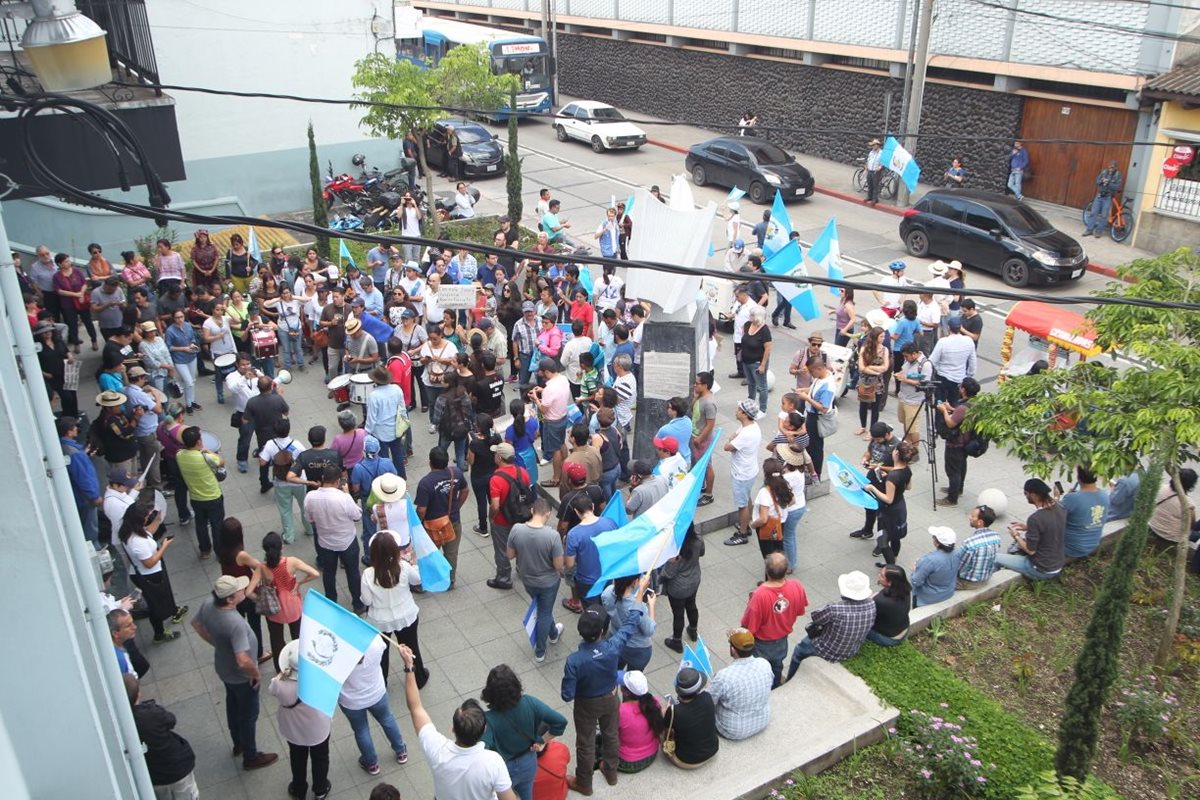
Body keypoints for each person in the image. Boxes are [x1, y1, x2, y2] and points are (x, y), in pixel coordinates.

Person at [561, 582, 651, 794]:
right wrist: (638, 601)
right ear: (603, 630)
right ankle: (611, 772)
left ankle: (584, 782)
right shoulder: (613, 647)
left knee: (585, 743)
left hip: (585, 705)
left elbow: (566, 694)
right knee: (611, 735)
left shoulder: (574, 661)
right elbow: (629, 626)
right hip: (611, 697)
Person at [191, 574, 279, 770]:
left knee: (232, 703)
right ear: (230, 599)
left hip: (224, 668)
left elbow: (196, 624)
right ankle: (250, 755)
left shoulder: (208, 604)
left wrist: (216, 644)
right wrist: (255, 673)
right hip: (242, 677)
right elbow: (242, 659)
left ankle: (238, 742)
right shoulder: (234, 623)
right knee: (248, 714)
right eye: (239, 590)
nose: (243, 591)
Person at [480, 665, 568, 800]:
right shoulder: (530, 702)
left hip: (503, 769)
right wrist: (543, 740)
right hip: (528, 761)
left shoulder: (488, 719)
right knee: (527, 794)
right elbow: (560, 721)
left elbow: (481, 750)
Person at [269, 641, 333, 800]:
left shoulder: (279, 682)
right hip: (318, 727)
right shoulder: (318, 679)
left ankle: (299, 788)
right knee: (320, 757)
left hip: (293, 728)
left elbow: (271, 691)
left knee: (297, 758)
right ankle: (320, 789)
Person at [361, 529, 426, 686]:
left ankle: (381, 682)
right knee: (412, 648)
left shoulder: (368, 574)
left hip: (379, 621)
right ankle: (419, 678)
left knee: (381, 654)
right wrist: (415, 564)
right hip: (406, 615)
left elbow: (367, 600)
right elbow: (417, 580)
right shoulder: (402, 566)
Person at [785, 571, 876, 680]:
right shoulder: (871, 604)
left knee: (799, 651)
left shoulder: (836, 609)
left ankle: (789, 679)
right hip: (851, 650)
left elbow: (816, 617)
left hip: (826, 650)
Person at [506, 498, 565, 662]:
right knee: (544, 612)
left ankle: (553, 633)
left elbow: (510, 555)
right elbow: (558, 565)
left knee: (541, 607)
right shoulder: (552, 536)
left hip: (528, 580)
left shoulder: (516, 529)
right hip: (549, 582)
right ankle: (540, 650)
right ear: (548, 514)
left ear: (532, 510)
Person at [118, 509, 188, 645]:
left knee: (163, 597)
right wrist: (164, 547)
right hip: (150, 576)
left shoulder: (129, 532)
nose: (147, 518)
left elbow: (149, 531)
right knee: (155, 605)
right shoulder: (137, 542)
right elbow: (149, 563)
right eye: (146, 517)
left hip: (148, 573)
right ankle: (159, 633)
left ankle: (174, 611)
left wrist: (157, 519)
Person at [124, 675, 200, 800]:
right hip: (177, 767)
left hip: (154, 775)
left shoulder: (122, 723)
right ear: (138, 695)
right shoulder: (151, 713)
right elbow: (171, 720)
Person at [740, 553, 808, 688]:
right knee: (777, 665)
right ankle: (776, 685)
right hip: (782, 638)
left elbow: (749, 627)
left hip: (761, 643)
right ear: (786, 569)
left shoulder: (759, 595)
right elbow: (800, 610)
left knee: (759, 670)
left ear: (766, 570)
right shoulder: (797, 586)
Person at [305, 464, 365, 611]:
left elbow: (309, 518)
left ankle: (331, 602)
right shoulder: (343, 498)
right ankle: (358, 603)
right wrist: (347, 494)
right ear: (338, 481)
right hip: (347, 542)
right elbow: (357, 515)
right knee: (353, 573)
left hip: (325, 542)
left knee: (329, 573)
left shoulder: (310, 497)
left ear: (323, 478)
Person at [258, 531, 318, 674]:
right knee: (297, 634)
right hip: (292, 604)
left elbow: (248, 592)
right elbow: (315, 573)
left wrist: (260, 597)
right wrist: (299, 583)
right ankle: (300, 662)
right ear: (281, 548)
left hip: (274, 606)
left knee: (276, 637)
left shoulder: (262, 567)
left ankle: (280, 668)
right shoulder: (291, 562)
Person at [216, 518, 269, 664]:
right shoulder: (240, 555)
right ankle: (259, 653)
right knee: (254, 623)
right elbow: (258, 566)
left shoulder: (222, 551)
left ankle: (238, 649)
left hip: (231, 593)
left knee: (238, 623)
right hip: (245, 593)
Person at [416, 447, 469, 588]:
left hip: (432, 525)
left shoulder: (425, 483)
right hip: (453, 521)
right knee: (451, 553)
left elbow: (421, 509)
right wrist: (457, 507)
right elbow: (465, 490)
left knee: (429, 553)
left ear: (430, 463)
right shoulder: (456, 473)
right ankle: (450, 580)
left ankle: (427, 581)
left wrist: (417, 522)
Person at [996, 478, 1067, 580]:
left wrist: (1016, 535)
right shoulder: (1060, 507)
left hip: (1040, 569)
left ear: (1033, 495)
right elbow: (1049, 526)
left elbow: (1031, 551)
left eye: (1026, 493)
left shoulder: (1035, 518)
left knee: (994, 557)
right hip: (1057, 564)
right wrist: (1027, 527)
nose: (1025, 496)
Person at [710, 628, 773, 740]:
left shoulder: (724, 676)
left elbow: (709, 701)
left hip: (733, 730)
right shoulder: (765, 664)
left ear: (733, 650)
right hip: (763, 720)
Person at [863, 441, 916, 568]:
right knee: (895, 536)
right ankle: (893, 560)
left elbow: (888, 499)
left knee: (882, 541)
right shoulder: (907, 469)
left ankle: (891, 567)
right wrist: (888, 478)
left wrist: (873, 488)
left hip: (889, 511)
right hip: (900, 507)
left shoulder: (893, 476)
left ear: (896, 453)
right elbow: (908, 487)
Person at [175, 426, 225, 557]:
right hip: (213, 496)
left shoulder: (179, 455)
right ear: (198, 442)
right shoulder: (205, 457)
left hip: (195, 498)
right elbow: (221, 462)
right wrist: (208, 451)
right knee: (217, 525)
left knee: (201, 524)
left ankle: (205, 550)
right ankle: (219, 552)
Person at [564, 492, 618, 608]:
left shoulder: (574, 534)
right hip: (606, 575)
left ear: (577, 511)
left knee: (591, 610)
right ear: (593, 506)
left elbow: (569, 563)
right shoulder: (610, 522)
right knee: (607, 605)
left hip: (586, 581)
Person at [724, 399, 764, 546]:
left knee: (742, 504)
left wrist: (730, 440)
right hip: (749, 469)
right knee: (746, 498)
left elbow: (727, 447)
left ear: (745, 414)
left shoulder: (746, 433)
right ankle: (745, 523)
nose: (736, 411)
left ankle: (743, 532)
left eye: (739, 409)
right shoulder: (750, 427)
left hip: (742, 473)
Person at [661, 667, 719, 769]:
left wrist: (665, 713)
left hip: (687, 760)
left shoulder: (674, 711)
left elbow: (668, 733)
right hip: (713, 749)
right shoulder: (707, 697)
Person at [935, 377, 981, 508]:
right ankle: (958, 489)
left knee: (953, 470)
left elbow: (950, 423)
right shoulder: (975, 403)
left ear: (963, 390)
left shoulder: (962, 408)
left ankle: (951, 498)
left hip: (956, 442)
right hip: (967, 441)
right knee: (961, 467)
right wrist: (952, 409)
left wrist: (944, 411)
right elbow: (962, 414)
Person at [59, 416, 103, 549]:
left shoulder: (66, 448)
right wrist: (94, 496)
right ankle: (94, 549)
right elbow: (83, 477)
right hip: (85, 498)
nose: (77, 430)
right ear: (69, 431)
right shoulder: (74, 453)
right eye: (75, 428)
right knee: (90, 526)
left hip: (79, 496)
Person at [601, 574, 658, 671]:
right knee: (631, 680)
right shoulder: (637, 608)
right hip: (637, 648)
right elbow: (649, 630)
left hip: (615, 638)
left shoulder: (607, 593)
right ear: (635, 582)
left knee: (614, 671)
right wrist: (651, 605)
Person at [1058, 465, 1110, 558]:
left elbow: (1053, 515)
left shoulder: (1072, 498)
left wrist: (1056, 497)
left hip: (1069, 547)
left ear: (1078, 478)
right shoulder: (1104, 495)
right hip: (1092, 544)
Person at [796, 356, 835, 476]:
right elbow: (814, 389)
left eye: (812, 372)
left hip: (817, 419)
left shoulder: (828, 386)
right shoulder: (821, 377)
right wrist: (805, 390)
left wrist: (807, 398)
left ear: (819, 368)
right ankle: (809, 469)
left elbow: (824, 408)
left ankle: (815, 473)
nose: (811, 375)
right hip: (811, 416)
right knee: (809, 444)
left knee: (815, 448)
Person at [750, 459, 794, 559]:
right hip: (780, 523)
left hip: (767, 526)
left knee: (769, 557)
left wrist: (753, 524)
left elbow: (763, 519)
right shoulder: (784, 485)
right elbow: (792, 501)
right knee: (778, 552)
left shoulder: (764, 492)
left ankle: (771, 573)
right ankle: (779, 570)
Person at [855, 326, 890, 435]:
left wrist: (870, 368)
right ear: (875, 337)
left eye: (884, 336)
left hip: (877, 382)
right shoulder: (865, 348)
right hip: (865, 381)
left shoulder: (884, 350)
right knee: (863, 405)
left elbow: (885, 367)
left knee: (875, 407)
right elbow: (861, 367)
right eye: (881, 336)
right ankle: (863, 426)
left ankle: (872, 431)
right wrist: (874, 370)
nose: (883, 338)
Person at [911, 527, 959, 607]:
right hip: (948, 592)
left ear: (937, 543)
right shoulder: (957, 553)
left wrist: (915, 569)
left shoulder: (929, 560)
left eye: (934, 538)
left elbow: (916, 581)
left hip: (927, 598)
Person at [956, 504, 1001, 588]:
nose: (969, 517)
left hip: (969, 582)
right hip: (986, 578)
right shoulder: (996, 536)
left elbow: (958, 566)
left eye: (973, 516)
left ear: (980, 522)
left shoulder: (970, 543)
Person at [867, 565, 911, 647]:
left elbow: (865, 615)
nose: (879, 576)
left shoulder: (882, 601)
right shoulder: (905, 590)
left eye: (882, 576)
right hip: (904, 628)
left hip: (888, 638)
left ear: (890, 582)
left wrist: (871, 599)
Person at [864, 138, 884, 206]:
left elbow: (883, 163)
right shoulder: (871, 152)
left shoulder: (881, 153)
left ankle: (875, 199)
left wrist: (880, 167)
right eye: (872, 145)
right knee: (870, 184)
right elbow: (868, 160)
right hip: (870, 170)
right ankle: (869, 197)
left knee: (875, 185)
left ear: (877, 145)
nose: (873, 146)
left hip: (876, 171)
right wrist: (866, 166)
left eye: (874, 145)